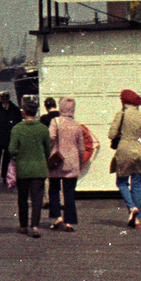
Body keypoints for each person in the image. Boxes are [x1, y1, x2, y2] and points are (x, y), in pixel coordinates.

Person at [109, 88, 141, 228]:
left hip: (124, 152)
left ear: (124, 101)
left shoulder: (121, 115)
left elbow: (111, 135)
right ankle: (136, 218)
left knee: (121, 182)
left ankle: (131, 207)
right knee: (137, 185)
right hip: (140, 152)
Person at [8, 99, 51, 236]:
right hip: (39, 168)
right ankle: (35, 226)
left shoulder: (17, 128)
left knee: (23, 198)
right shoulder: (43, 129)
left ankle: (23, 225)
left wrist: (21, 152)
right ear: (36, 111)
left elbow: (12, 149)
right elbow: (48, 150)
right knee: (37, 199)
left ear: (24, 112)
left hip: (23, 168)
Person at [46, 96, 82, 231]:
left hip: (57, 161)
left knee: (54, 190)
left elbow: (50, 137)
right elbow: (81, 148)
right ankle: (69, 222)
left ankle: (57, 217)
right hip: (72, 162)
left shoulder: (55, 121)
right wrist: (80, 162)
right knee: (69, 193)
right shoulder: (77, 124)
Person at [0, 92, 16, 188]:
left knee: (7, 158)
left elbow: (17, 122)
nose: (5, 101)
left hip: (9, 137)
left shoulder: (14, 109)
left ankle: (6, 176)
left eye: (6, 99)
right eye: (3, 99)